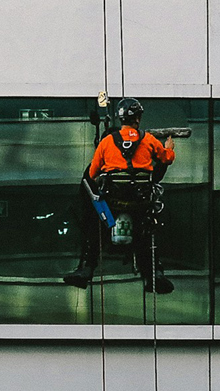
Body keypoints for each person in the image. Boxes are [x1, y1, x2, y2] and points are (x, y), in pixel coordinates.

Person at [63, 97, 176, 294]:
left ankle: (86, 269)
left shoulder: (107, 142)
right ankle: (154, 274)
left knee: (95, 228)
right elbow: (166, 159)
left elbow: (91, 174)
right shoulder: (149, 140)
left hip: (112, 204)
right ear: (138, 119)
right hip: (140, 204)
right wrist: (169, 148)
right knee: (146, 235)